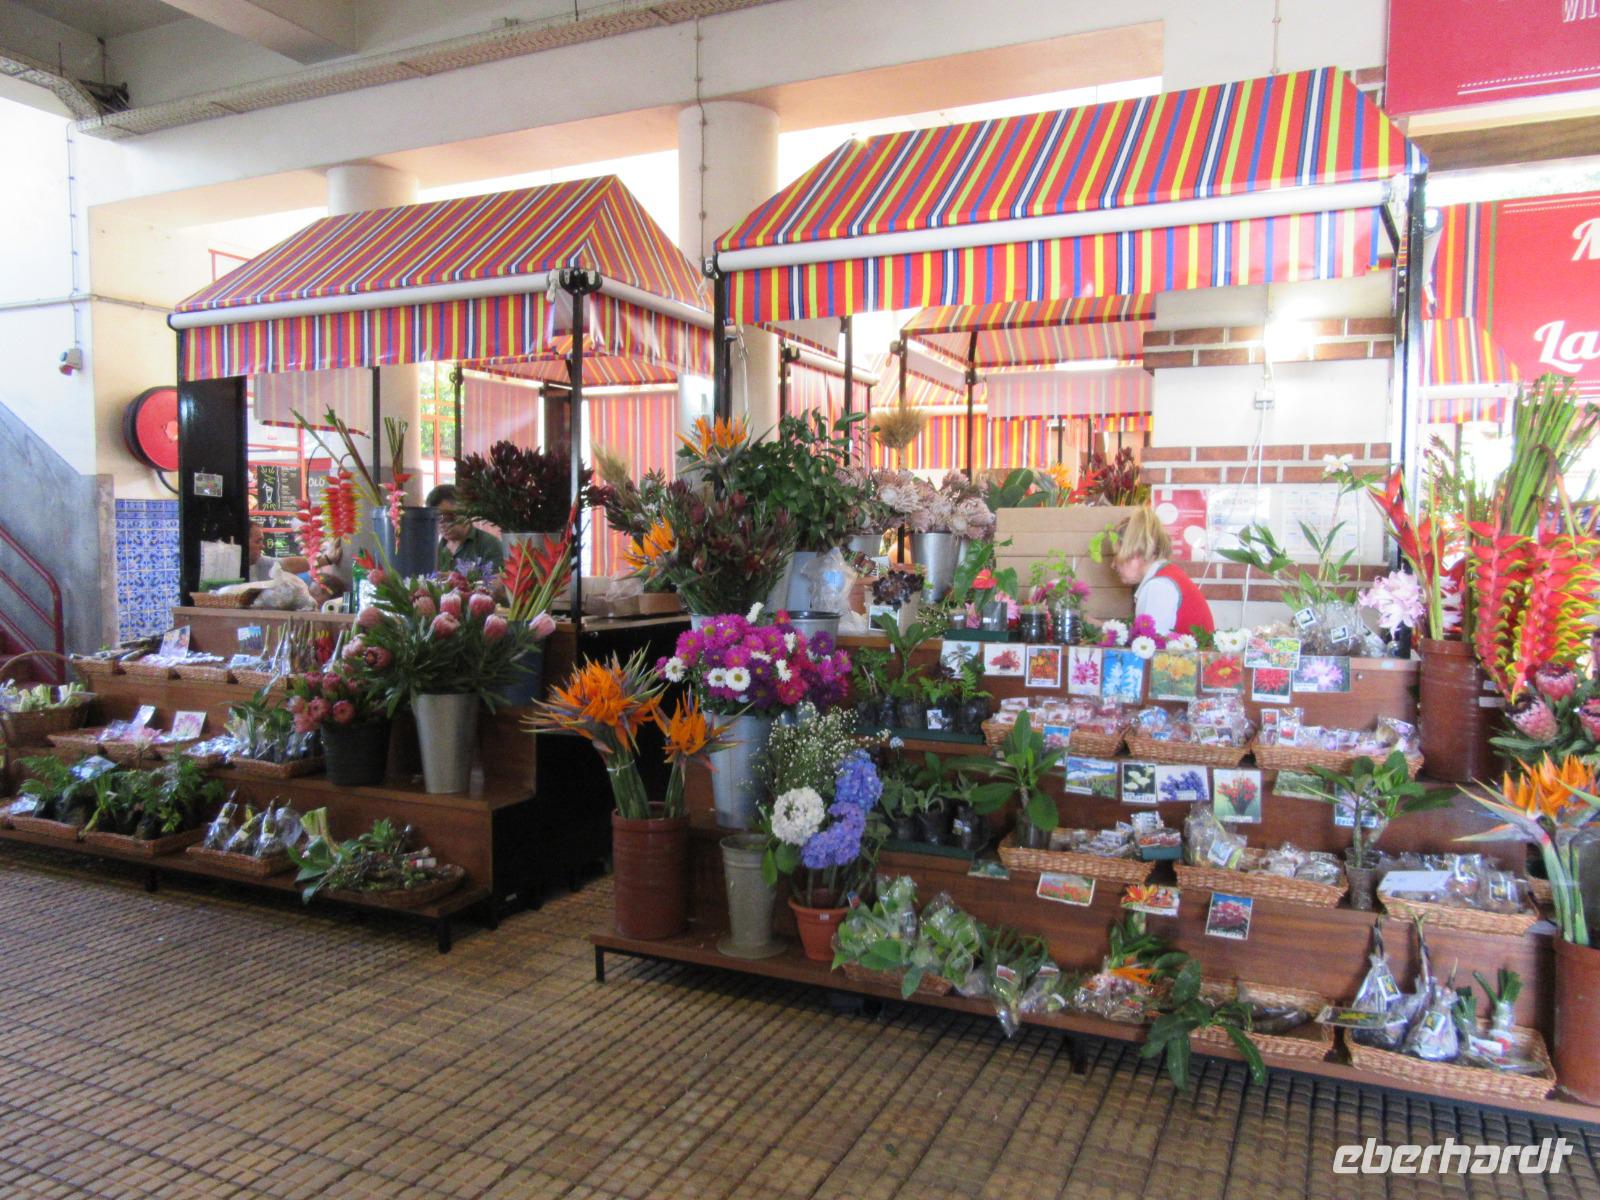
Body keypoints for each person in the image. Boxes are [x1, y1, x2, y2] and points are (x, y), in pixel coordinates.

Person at [1112, 507, 1214, 638]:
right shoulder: (1167, 576)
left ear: (1135, 553)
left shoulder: (1158, 587)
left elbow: (1149, 647)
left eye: (1117, 555)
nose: (1113, 564)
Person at [425, 483, 504, 573]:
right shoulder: (435, 548)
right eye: (436, 518)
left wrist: (458, 580)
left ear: (465, 510)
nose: (442, 524)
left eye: (448, 516)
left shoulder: (489, 545)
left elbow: (497, 582)